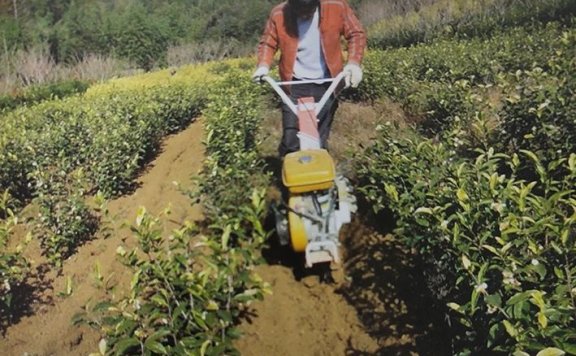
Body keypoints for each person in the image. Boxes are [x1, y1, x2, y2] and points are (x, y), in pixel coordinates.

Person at [252, 0, 366, 157]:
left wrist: (354, 63)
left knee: (318, 138)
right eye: (300, 9)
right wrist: (263, 65)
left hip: (327, 84)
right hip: (294, 84)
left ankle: (318, 177)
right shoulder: (279, 14)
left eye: (308, 9)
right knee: (291, 140)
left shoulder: (336, 6)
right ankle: (292, 171)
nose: (305, 14)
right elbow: (268, 42)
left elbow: (356, 33)